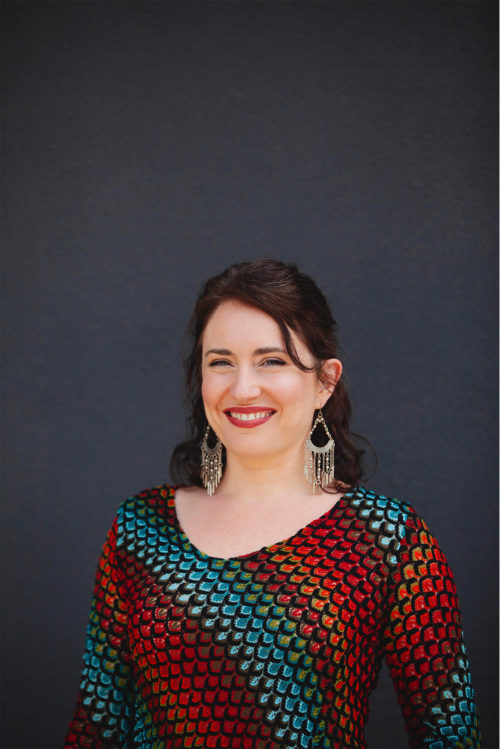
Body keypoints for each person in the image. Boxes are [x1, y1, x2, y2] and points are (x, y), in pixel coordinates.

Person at [66, 260, 479, 748]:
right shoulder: (139, 528)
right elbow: (96, 726)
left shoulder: (389, 537)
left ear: (325, 381)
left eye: (272, 361)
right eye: (220, 362)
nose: (242, 388)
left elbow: (449, 733)